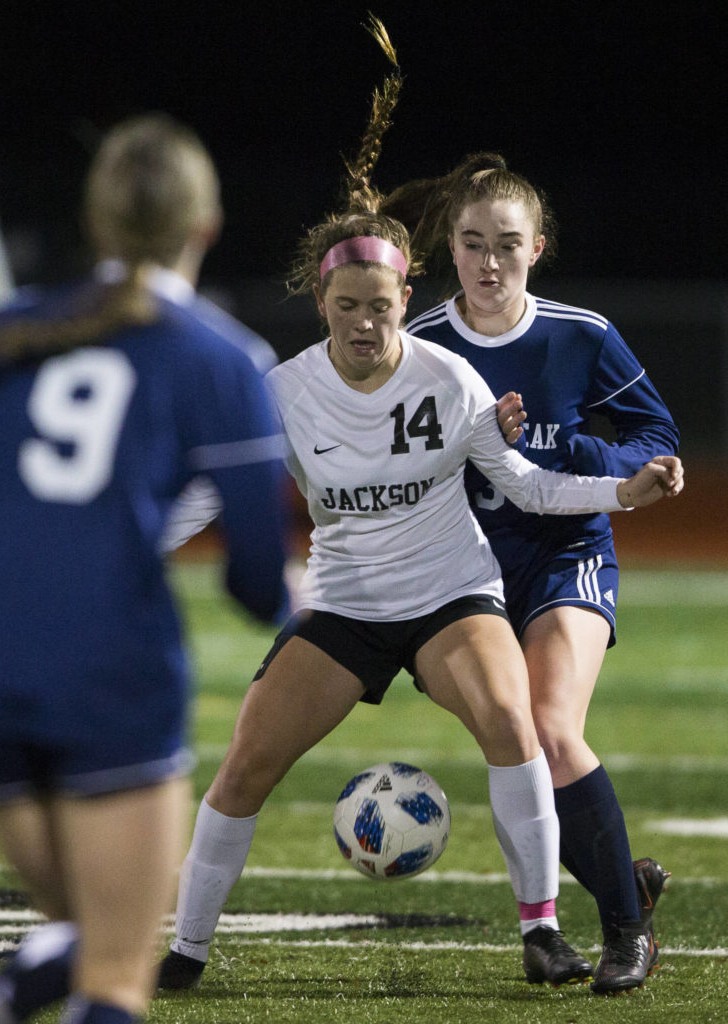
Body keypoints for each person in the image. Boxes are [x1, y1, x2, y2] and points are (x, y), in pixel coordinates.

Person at [156, 53, 683, 993]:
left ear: (409, 300)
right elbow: (204, 494)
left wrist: (615, 486)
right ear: (320, 302)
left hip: (468, 583)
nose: (365, 323)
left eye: (381, 307)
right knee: (244, 760)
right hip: (352, 604)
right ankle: (183, 952)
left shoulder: (460, 372)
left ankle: (559, 931)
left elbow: (526, 480)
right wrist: (122, 542)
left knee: (529, 727)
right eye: (346, 306)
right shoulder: (283, 389)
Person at [0, 113, 289, 1024]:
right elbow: (254, 584)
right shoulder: (222, 359)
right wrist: (302, 597)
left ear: (97, 222)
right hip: (107, 666)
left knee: (83, 929)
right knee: (118, 978)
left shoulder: (12, 331)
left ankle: (13, 992)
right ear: (203, 226)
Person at [381, 152, 677, 993]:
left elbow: (655, 438)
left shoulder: (580, 335)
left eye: (506, 244)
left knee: (548, 729)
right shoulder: (422, 345)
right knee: (521, 756)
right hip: (462, 577)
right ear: (450, 246)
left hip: (566, 552)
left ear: (537, 248)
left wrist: (592, 457)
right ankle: (623, 882)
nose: (487, 262)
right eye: (472, 243)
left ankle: (627, 933)